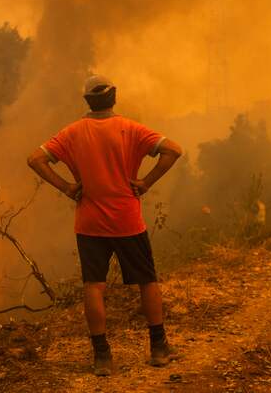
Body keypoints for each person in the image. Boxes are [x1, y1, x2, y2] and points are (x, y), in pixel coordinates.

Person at [26, 74, 183, 376]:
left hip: (90, 223)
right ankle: (159, 348)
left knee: (93, 286)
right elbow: (173, 150)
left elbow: (35, 159)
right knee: (147, 281)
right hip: (128, 221)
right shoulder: (131, 129)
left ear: (88, 101)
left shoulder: (71, 133)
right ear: (114, 97)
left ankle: (102, 357)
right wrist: (146, 182)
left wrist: (67, 187)